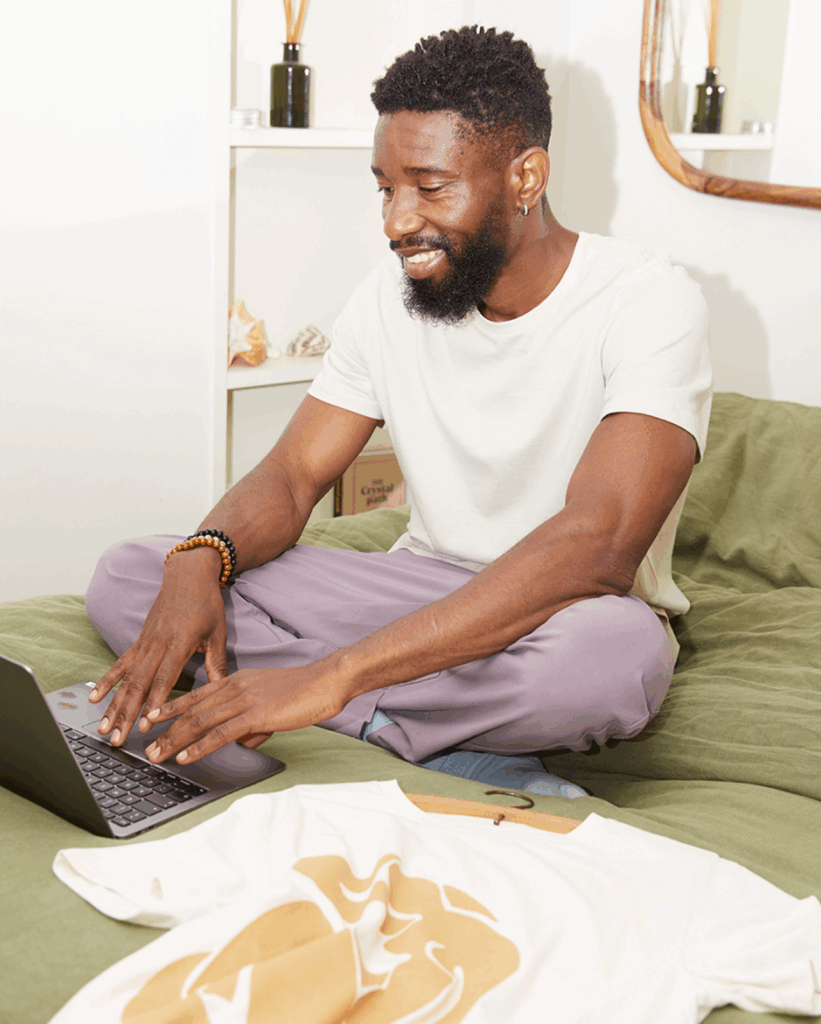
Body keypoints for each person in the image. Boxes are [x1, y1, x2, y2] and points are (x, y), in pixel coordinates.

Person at [85, 25, 712, 798]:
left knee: (618, 656)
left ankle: (341, 708)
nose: (395, 221)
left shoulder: (650, 301)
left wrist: (335, 675)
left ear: (526, 176)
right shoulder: (389, 299)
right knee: (131, 574)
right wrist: (199, 558)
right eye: (385, 187)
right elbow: (290, 475)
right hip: (413, 590)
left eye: (429, 185)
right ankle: (428, 736)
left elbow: (598, 544)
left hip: (562, 609)